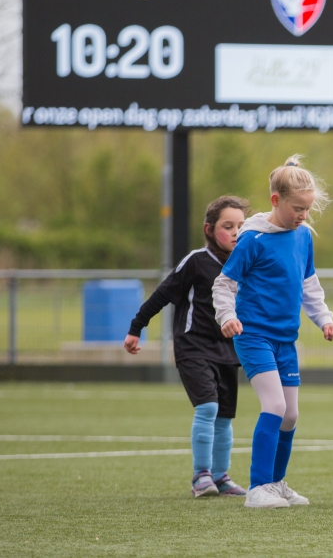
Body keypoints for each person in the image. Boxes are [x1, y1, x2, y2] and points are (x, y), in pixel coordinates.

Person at [212, 156, 333, 509]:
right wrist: (227, 316)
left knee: (291, 414)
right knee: (276, 406)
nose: (303, 215)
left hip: (285, 340)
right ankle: (257, 488)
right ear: (275, 200)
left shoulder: (303, 236)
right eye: (297, 208)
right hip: (254, 336)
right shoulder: (252, 240)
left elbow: (308, 284)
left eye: (307, 209)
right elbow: (224, 284)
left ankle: (276, 483)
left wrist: (324, 318)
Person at [125, 196, 249, 498]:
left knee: (224, 416)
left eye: (241, 226)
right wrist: (136, 328)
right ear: (209, 229)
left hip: (228, 350)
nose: (235, 232)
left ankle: (221, 477)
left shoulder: (245, 264)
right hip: (193, 346)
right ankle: (201, 476)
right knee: (208, 407)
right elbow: (162, 294)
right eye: (227, 226)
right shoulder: (196, 261)